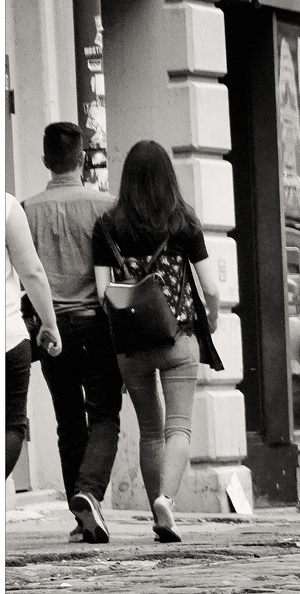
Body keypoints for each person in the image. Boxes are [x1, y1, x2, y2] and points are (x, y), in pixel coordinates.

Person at [91, 140, 224, 544]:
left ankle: (156, 510)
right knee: (178, 428)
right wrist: (212, 319)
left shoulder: (107, 225)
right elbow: (211, 287)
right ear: (168, 176)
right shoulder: (183, 221)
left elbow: (102, 294)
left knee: (149, 430)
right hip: (178, 337)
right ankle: (166, 501)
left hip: (130, 344)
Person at [21, 123, 120, 541]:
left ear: (45, 160)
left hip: (50, 331)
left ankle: (80, 518)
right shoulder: (107, 207)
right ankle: (88, 493)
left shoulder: (26, 210)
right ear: (82, 159)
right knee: (104, 415)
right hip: (98, 326)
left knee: (68, 421)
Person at [6, 194, 63, 479]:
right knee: (11, 426)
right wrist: (49, 323)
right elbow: (32, 272)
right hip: (8, 338)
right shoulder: (6, 206)